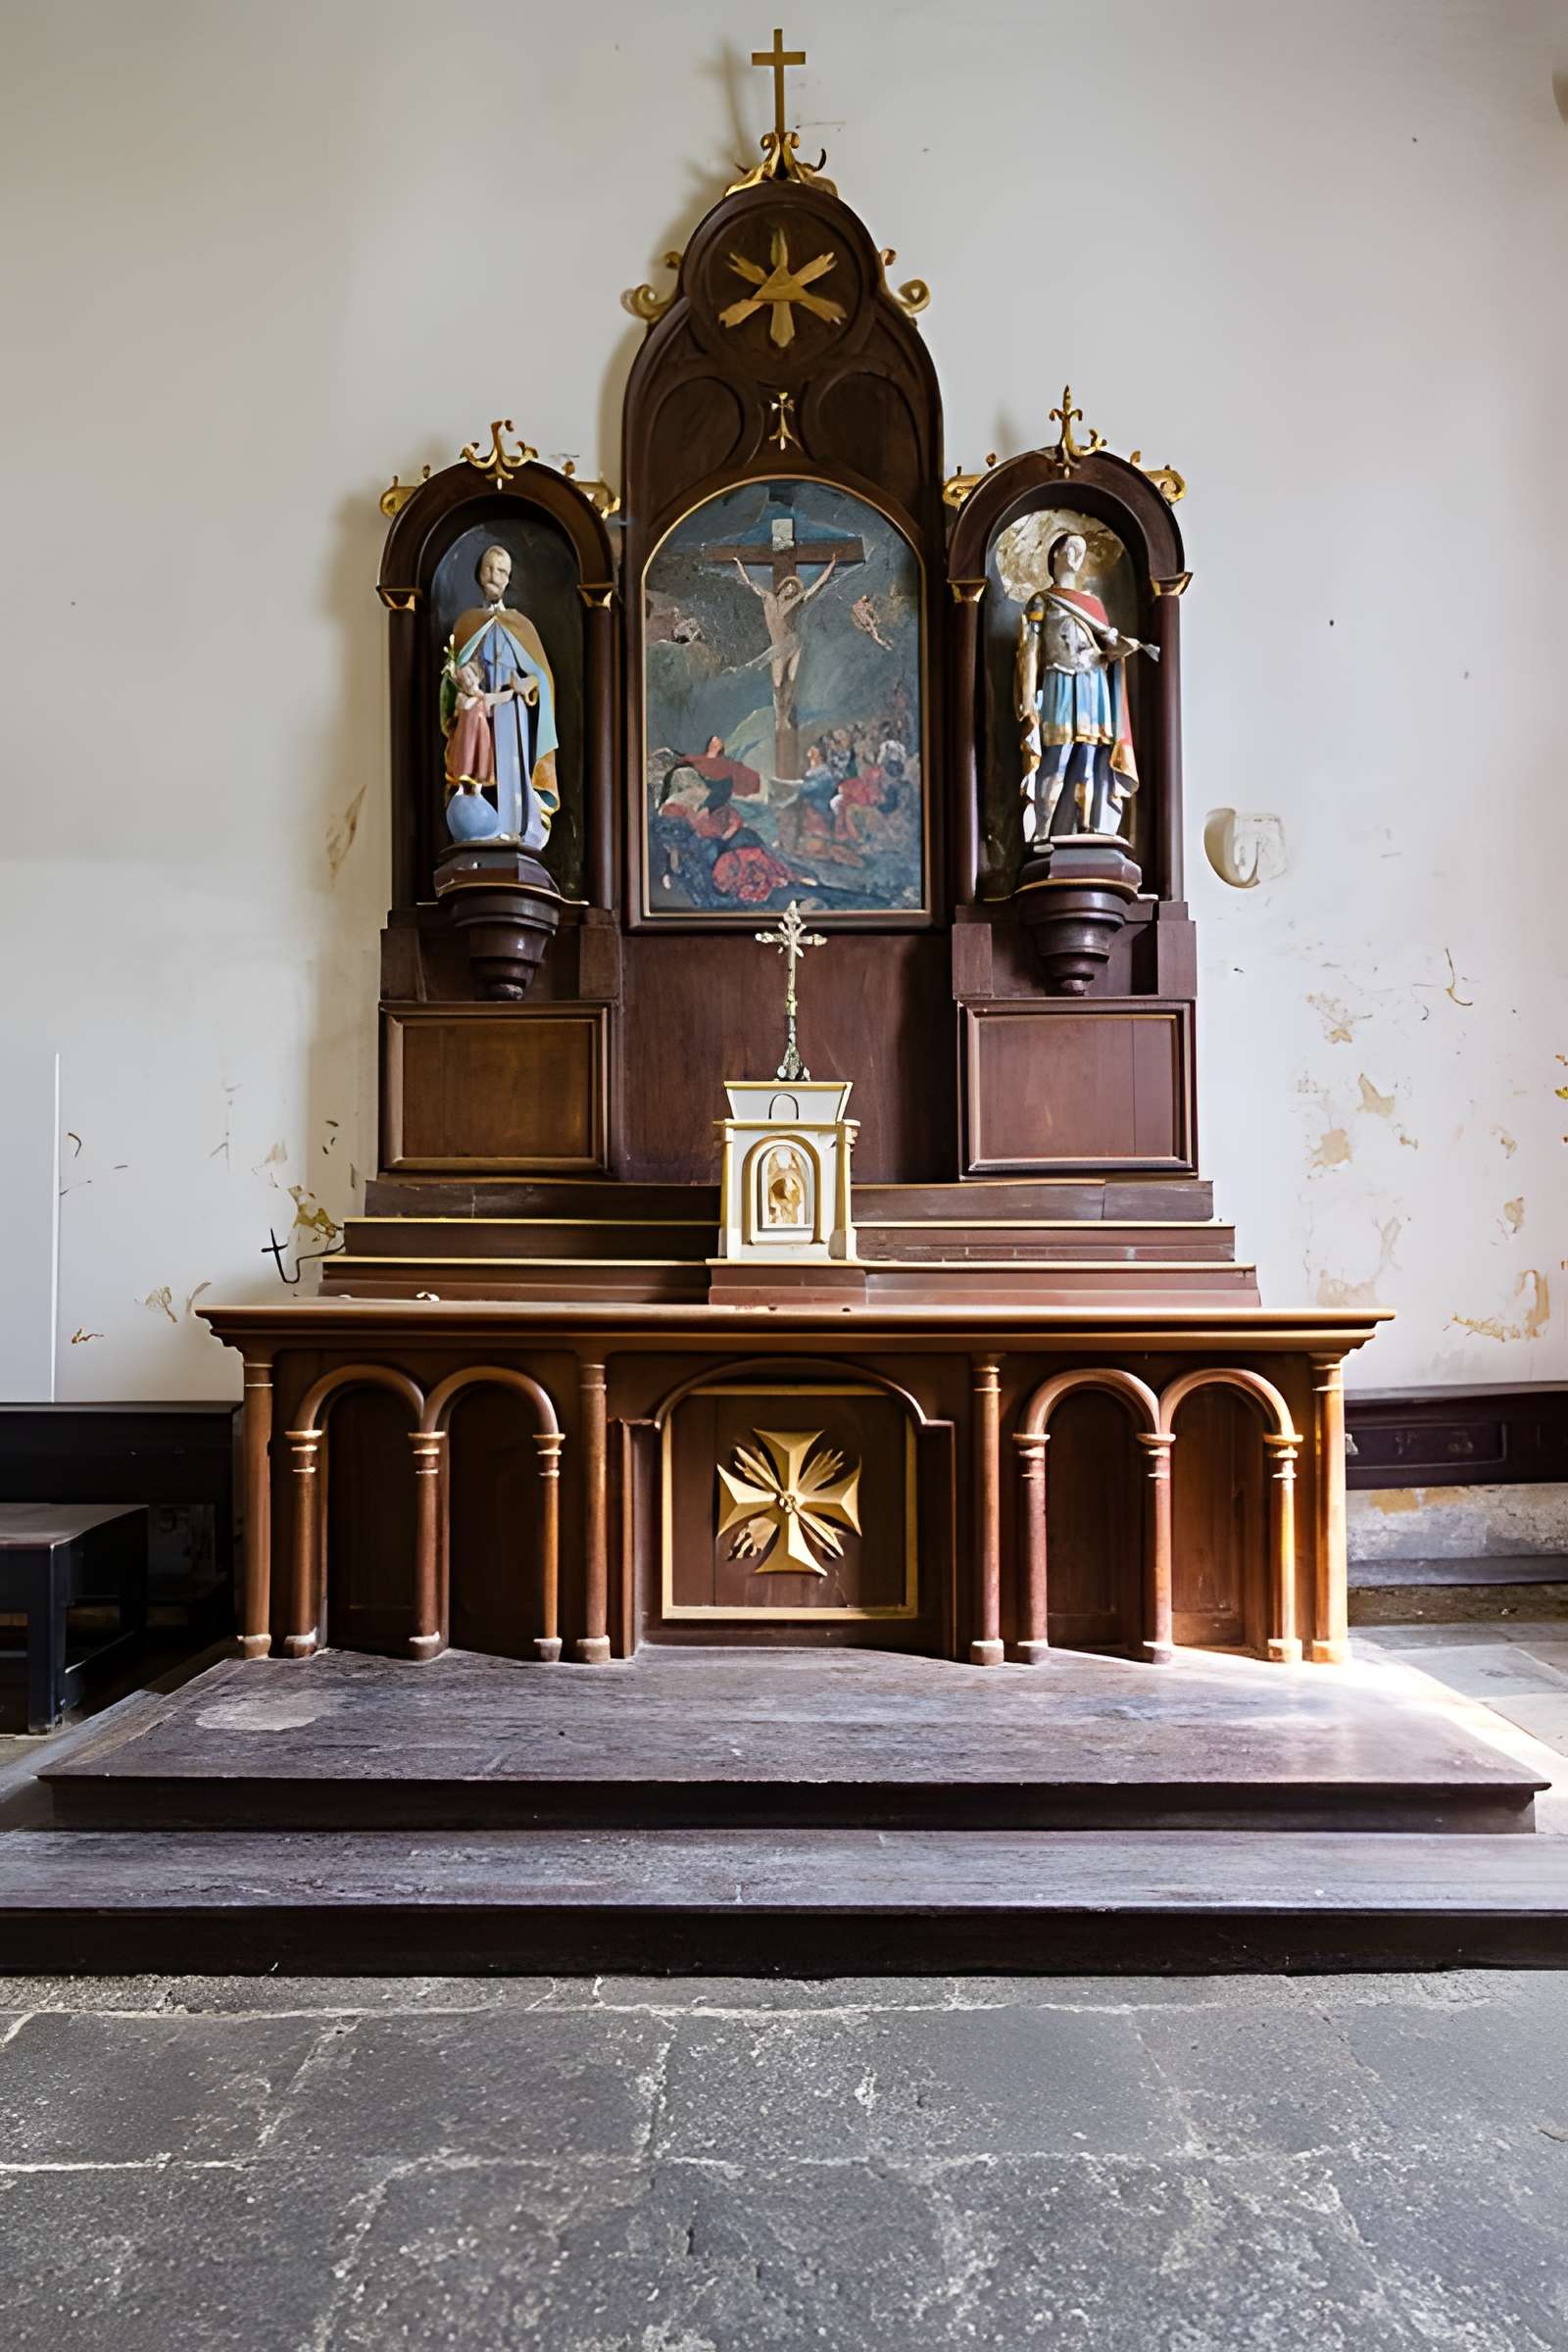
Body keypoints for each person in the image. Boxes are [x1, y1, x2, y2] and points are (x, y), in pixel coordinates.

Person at [1014, 531, 1152, 841]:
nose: (1077, 556)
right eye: (1072, 549)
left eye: (1081, 550)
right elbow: (1030, 652)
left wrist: (1121, 649)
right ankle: (1042, 832)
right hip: (1059, 682)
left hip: (1093, 685)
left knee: (1089, 759)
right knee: (1057, 758)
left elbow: (1107, 652)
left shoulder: (1094, 605)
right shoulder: (1041, 601)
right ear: (1056, 555)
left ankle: (1086, 829)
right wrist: (1027, 700)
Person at [443, 544, 559, 847]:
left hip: (511, 708)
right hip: (479, 709)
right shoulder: (467, 623)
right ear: (479, 573)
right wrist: (465, 682)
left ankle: (514, 828)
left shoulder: (522, 626)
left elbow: (541, 677)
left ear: (508, 579)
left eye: (502, 571)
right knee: (477, 762)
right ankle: (478, 820)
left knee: (512, 764)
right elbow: (456, 671)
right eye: (490, 568)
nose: (495, 576)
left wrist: (527, 685)